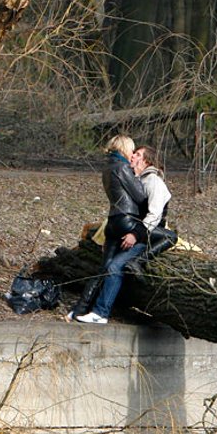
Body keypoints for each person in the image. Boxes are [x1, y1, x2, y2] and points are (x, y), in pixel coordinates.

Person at [75, 136, 148, 324]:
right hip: (126, 219)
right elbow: (140, 196)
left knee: (104, 267)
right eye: (132, 150)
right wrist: (138, 175)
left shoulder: (107, 167)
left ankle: (80, 309)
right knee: (114, 268)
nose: (133, 155)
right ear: (125, 149)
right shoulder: (123, 167)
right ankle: (100, 312)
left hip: (112, 221)